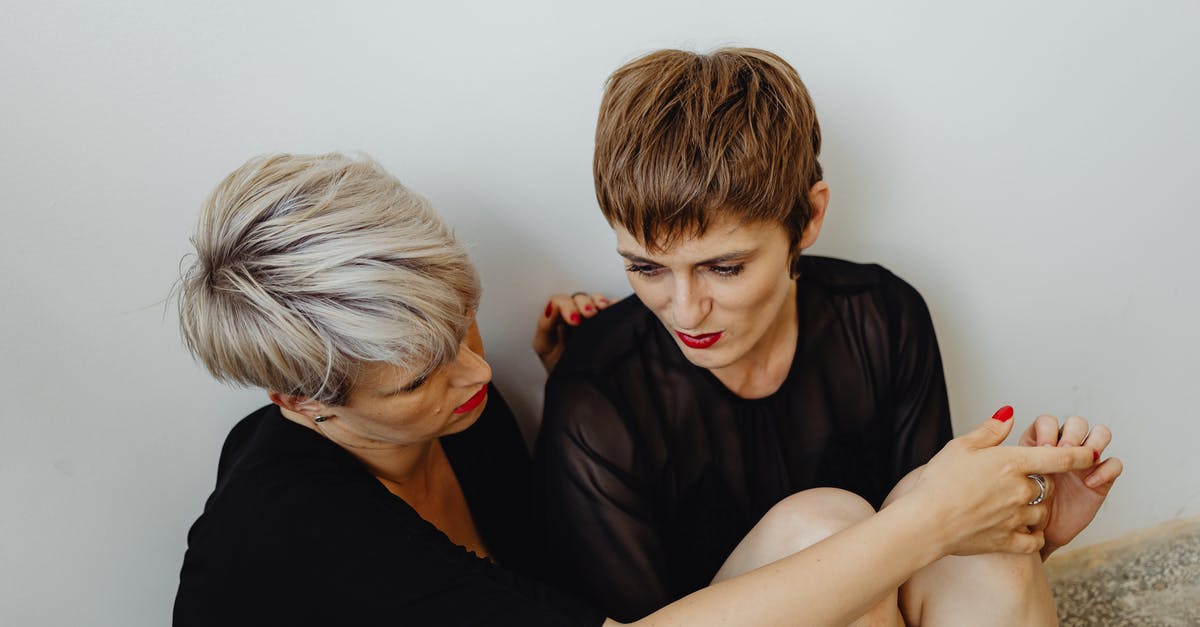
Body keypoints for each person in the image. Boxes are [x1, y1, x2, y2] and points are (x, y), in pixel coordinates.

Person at [173, 152, 1106, 627]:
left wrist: (995, 534)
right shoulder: (292, 530)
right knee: (858, 534)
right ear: (302, 403)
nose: (478, 371)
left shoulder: (456, 419)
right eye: (425, 373)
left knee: (858, 534)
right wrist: (929, 521)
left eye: (461, 323)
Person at [534, 48, 1124, 624]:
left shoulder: (882, 317)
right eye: (646, 268)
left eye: (725, 267)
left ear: (809, 218)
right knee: (824, 532)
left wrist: (1030, 535)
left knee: (975, 544)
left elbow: (940, 551)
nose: (685, 311)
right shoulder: (596, 393)